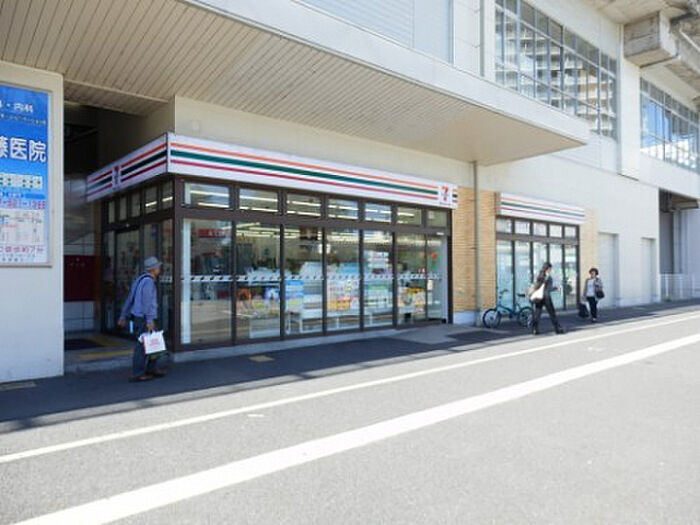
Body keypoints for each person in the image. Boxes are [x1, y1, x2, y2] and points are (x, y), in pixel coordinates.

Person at [118, 256, 170, 382]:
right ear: (153, 269)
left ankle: (152, 368)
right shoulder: (148, 282)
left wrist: (123, 315)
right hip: (145, 318)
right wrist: (149, 320)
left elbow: (130, 298)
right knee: (143, 346)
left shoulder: (139, 280)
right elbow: (147, 303)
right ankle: (139, 373)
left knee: (153, 343)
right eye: (158, 267)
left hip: (139, 317)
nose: (159, 269)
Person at [530, 262, 564, 335]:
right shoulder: (547, 276)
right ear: (547, 268)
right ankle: (557, 329)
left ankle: (535, 329)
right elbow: (548, 288)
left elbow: (538, 285)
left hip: (539, 297)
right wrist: (555, 288)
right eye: (550, 268)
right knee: (552, 313)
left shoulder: (539, 275)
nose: (551, 270)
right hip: (546, 297)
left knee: (537, 313)